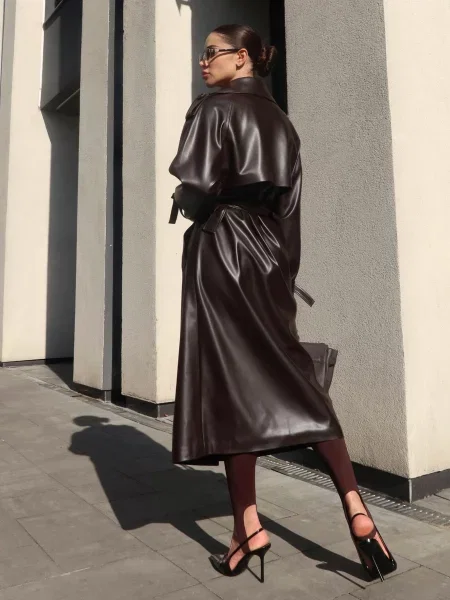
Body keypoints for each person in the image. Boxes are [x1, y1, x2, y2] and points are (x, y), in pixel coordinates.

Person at [168, 23, 396, 584]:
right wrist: (281, 272)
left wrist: (183, 200)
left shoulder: (213, 109)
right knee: (296, 379)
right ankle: (356, 508)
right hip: (270, 258)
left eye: (212, 53)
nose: (203, 62)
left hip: (223, 250)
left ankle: (248, 527)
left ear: (242, 58)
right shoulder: (283, 125)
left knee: (231, 386)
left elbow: (195, 190)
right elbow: (290, 212)